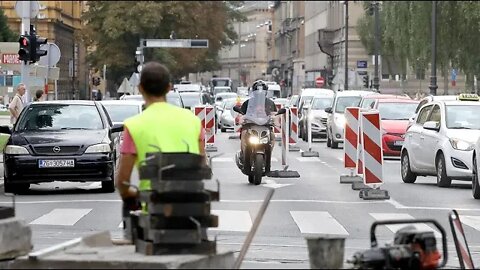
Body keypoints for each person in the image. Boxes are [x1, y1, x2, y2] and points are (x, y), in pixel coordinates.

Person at [116, 62, 206, 203]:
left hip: (153, 209)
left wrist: (133, 198)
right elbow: (200, 165)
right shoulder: (193, 120)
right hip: (190, 208)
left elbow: (123, 181)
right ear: (169, 88)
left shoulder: (134, 125)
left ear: (140, 88)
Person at [237, 80, 277, 160]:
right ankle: (243, 153)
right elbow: (241, 114)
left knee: (272, 135)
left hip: (265, 125)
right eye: (257, 92)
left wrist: (274, 119)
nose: (260, 94)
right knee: (244, 132)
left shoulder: (270, 103)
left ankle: (269, 152)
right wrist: (242, 119)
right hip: (251, 125)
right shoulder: (248, 103)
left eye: (262, 92)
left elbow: (274, 114)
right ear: (254, 92)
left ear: (265, 92)